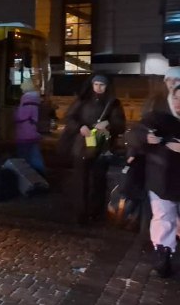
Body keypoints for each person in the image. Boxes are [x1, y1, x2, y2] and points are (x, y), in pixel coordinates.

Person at [60, 74, 126, 224]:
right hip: (82, 146)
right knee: (81, 180)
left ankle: (96, 213)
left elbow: (121, 125)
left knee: (99, 180)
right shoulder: (82, 100)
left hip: (102, 146)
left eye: (102, 85)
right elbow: (70, 117)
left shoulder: (113, 103)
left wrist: (108, 124)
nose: (98, 88)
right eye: (96, 84)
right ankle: (81, 213)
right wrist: (80, 127)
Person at [134, 84, 180, 277]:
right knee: (163, 217)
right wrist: (146, 137)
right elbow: (136, 132)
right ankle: (163, 256)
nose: (179, 103)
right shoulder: (159, 117)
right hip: (161, 179)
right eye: (176, 98)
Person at [13, 78, 45, 175]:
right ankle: (39, 176)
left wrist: (15, 112)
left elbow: (20, 116)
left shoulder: (27, 100)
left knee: (24, 158)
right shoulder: (34, 100)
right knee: (34, 156)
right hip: (32, 132)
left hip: (24, 133)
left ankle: (30, 177)